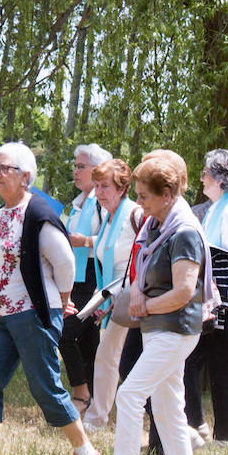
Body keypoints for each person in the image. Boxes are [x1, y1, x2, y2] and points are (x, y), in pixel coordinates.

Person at [0, 143, 106, 455]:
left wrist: (63, 302)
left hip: (34, 313)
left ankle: (86, 453)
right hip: (4, 317)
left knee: (45, 386)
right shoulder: (1, 214)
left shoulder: (38, 214)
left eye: (5, 168)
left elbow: (64, 262)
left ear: (26, 176)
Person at [108, 151, 213, 455]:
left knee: (129, 395)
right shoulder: (155, 224)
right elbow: (142, 271)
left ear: (167, 195)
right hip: (158, 327)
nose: (139, 204)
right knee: (168, 408)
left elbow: (183, 291)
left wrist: (146, 307)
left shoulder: (184, 232)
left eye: (143, 197)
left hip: (176, 329)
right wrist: (137, 295)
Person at [182, 149, 228, 444]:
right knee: (188, 361)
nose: (202, 178)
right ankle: (194, 423)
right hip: (208, 300)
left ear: (222, 181)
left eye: (207, 174)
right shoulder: (213, 209)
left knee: (224, 368)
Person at [82, 158, 140, 432]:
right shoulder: (108, 217)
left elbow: (137, 259)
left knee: (109, 357)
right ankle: (100, 416)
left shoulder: (134, 214)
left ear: (122, 188)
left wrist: (118, 294)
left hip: (132, 299)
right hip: (116, 298)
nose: (99, 192)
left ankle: (97, 418)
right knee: (109, 356)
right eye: (96, 186)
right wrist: (101, 295)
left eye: (105, 186)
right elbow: (107, 260)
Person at [61, 143, 112, 415]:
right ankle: (93, 397)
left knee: (65, 333)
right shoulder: (79, 204)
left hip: (93, 276)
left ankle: (81, 392)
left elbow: (111, 239)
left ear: (98, 170)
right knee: (88, 338)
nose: (76, 171)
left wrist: (84, 241)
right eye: (75, 166)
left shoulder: (101, 203)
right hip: (74, 276)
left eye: (82, 166)